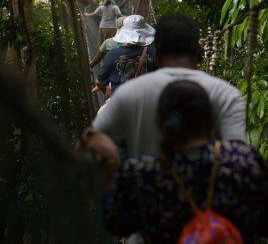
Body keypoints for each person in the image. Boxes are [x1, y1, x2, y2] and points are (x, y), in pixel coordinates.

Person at [81, 80, 268, 244]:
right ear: (210, 120)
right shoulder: (244, 160)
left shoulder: (143, 173)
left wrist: (110, 164)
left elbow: (116, 223)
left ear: (162, 126)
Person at [90, 14, 246, 157]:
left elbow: (91, 142)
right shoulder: (227, 93)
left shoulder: (127, 94)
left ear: (158, 56)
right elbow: (238, 155)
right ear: (199, 54)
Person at [93, 14, 156, 94]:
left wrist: (106, 90)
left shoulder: (112, 55)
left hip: (122, 102)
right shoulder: (154, 53)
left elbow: (99, 82)